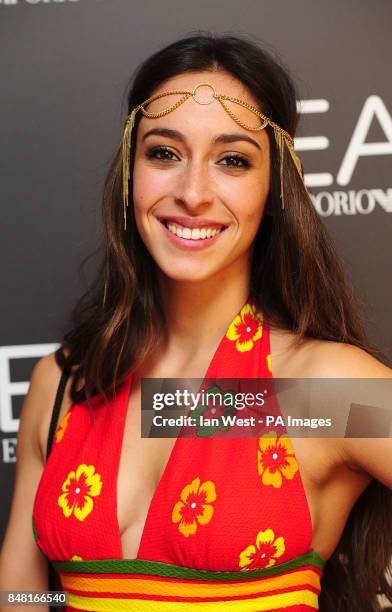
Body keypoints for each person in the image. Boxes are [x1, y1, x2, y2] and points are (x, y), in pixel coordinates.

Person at [0, 33, 391, 612]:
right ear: (131, 172)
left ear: (275, 186)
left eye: (233, 160)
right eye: (164, 153)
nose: (192, 192)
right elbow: (22, 594)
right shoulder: (62, 385)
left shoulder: (319, 391)